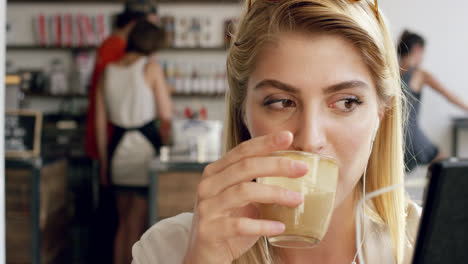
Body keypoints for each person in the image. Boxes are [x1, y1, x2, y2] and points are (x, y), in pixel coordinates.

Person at [132, 0, 420, 263]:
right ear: (242, 113)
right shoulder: (166, 250)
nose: (310, 141)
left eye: (346, 102)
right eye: (282, 103)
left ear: (382, 113)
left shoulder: (429, 243)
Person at [95, 20, 172, 264]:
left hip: (117, 150)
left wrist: (104, 164)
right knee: (137, 225)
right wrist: (167, 146)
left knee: (122, 223)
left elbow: (100, 125)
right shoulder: (151, 68)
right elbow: (166, 116)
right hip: (143, 150)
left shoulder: (107, 71)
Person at [85, 0, 159, 181]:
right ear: (135, 25)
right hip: (118, 136)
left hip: (111, 134)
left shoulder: (108, 44)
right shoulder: (119, 50)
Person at [398, 30, 468, 172]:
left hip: (394, 137)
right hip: (411, 137)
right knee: (443, 164)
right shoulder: (419, 74)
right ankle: (434, 194)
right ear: (417, 49)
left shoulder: (393, 73)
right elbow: (449, 95)